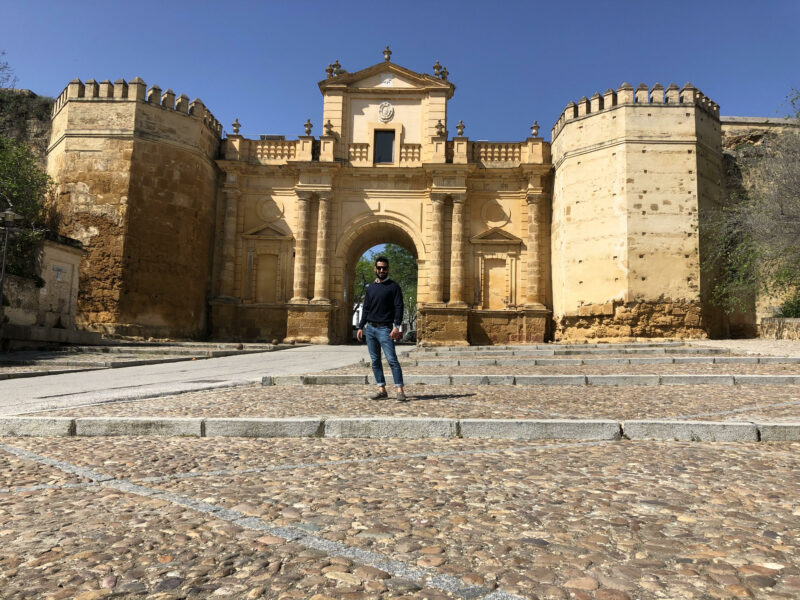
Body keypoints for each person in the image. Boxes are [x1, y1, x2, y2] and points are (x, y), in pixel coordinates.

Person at [356, 256, 406, 401]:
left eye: (384, 268)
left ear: (388, 269)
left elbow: (399, 306)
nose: (382, 270)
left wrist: (397, 326)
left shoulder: (394, 287)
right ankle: (381, 389)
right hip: (370, 328)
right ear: (375, 269)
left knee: (392, 360)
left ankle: (399, 390)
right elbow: (366, 308)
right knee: (375, 360)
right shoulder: (370, 288)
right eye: (379, 268)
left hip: (385, 329)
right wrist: (360, 327)